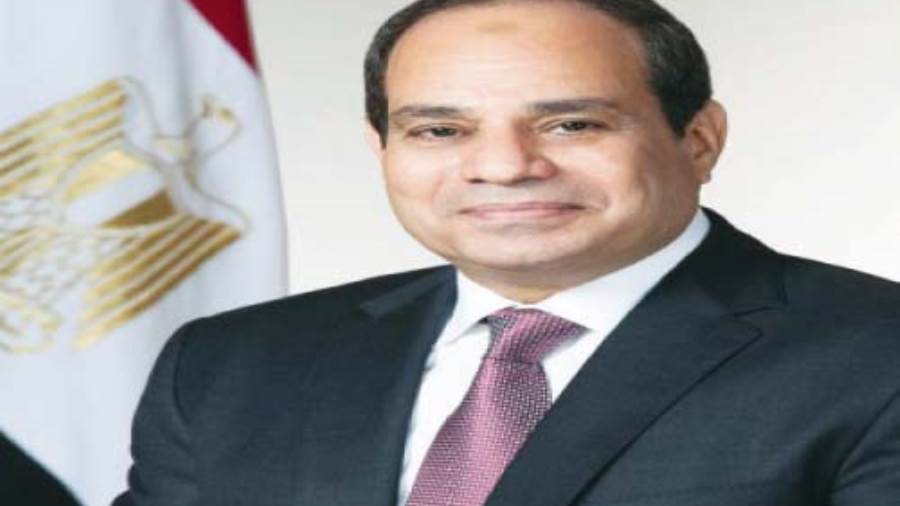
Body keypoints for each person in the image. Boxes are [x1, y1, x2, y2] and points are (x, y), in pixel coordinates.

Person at [114, 0, 900, 505]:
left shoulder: (876, 357)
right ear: (382, 149)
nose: (504, 166)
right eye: (439, 130)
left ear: (698, 139)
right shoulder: (231, 366)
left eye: (571, 124)